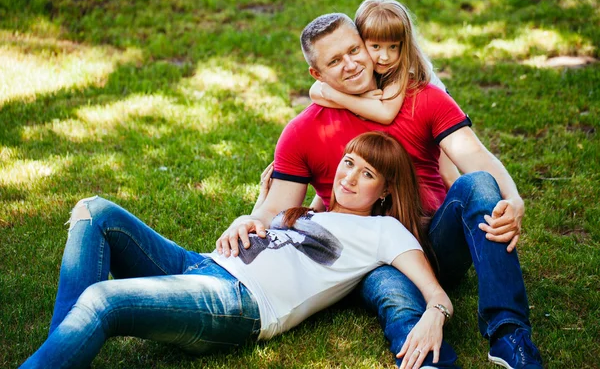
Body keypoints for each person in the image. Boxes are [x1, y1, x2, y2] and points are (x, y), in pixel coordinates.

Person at [217, 0, 542, 369]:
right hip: (368, 257)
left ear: (367, 45)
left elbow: (475, 156)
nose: (351, 64)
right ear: (316, 75)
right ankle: (430, 362)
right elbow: (276, 208)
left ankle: (509, 334)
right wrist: (247, 218)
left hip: (436, 241)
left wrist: (513, 197)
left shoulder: (424, 100)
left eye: (354, 50)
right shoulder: (303, 130)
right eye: (335, 61)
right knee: (394, 295)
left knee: (481, 184)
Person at [20, 132, 452, 369]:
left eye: (368, 173)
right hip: (200, 264)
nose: (350, 177)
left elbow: (435, 294)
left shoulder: (384, 231)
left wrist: (434, 315)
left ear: (386, 190)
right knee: (96, 212)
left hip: (237, 303)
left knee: (103, 301)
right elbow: (272, 241)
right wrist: (251, 216)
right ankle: (62, 347)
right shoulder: (311, 211)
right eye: (348, 162)